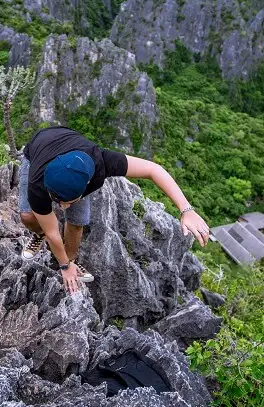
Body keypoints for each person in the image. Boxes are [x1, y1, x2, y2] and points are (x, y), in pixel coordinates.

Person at [18, 126, 210, 294]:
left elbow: (153, 170)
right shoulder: (38, 183)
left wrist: (186, 209)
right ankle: (38, 235)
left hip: (71, 147)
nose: (62, 206)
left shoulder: (102, 160)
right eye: (56, 200)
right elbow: (53, 232)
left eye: (67, 201)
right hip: (37, 149)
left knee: (77, 222)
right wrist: (63, 266)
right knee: (28, 216)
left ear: (86, 183)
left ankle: (73, 259)